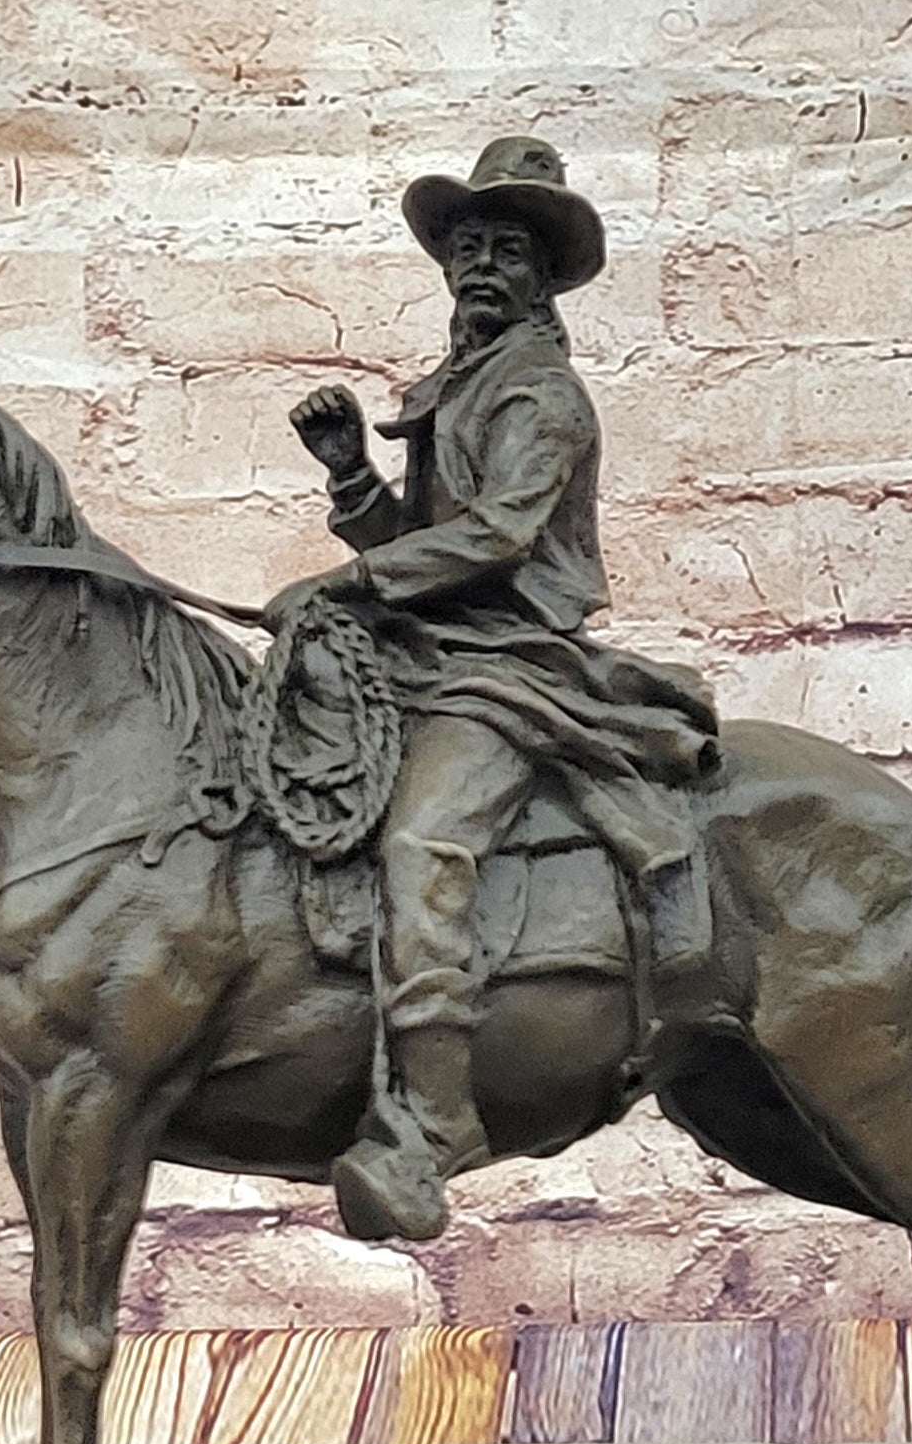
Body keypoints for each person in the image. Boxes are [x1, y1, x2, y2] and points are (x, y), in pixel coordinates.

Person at [271, 136, 719, 1244]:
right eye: (466, 247)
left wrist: (353, 580)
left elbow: (498, 537)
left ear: (542, 277)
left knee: (425, 840)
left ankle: (435, 1117)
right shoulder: (460, 389)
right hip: (431, 653)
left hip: (509, 668)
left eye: (506, 250)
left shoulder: (543, 396)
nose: (479, 266)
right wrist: (351, 476)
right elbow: (426, 543)